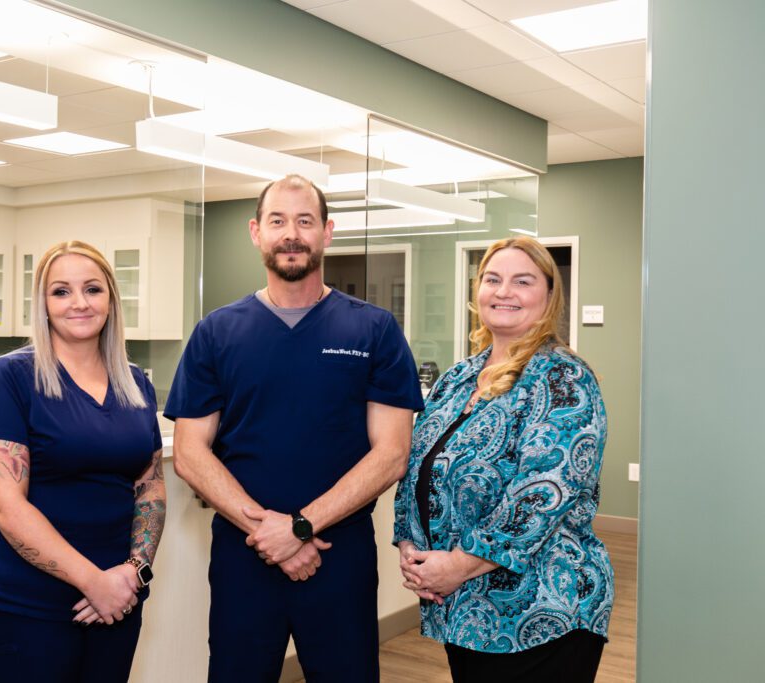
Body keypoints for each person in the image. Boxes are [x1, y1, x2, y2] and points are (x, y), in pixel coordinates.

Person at [166, 174, 425, 682]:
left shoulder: (373, 329)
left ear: (327, 232)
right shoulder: (217, 332)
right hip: (245, 554)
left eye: (305, 221)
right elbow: (189, 452)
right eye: (278, 221)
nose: (292, 233)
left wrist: (301, 526)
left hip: (339, 554)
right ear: (255, 232)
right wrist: (270, 534)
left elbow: (392, 453)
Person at [393, 236, 613, 683]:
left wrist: (454, 566)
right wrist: (410, 547)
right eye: (492, 279)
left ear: (549, 296)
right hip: (466, 610)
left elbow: (542, 494)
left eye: (523, 281)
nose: (504, 291)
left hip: (542, 611)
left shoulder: (564, 377)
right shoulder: (458, 377)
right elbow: (417, 465)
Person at [0, 240, 166, 683]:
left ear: (111, 299)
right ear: (43, 304)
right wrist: (94, 582)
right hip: (26, 601)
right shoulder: (11, 377)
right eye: (61, 291)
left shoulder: (134, 384)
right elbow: (2, 503)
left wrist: (133, 573)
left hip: (118, 597)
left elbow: (149, 485)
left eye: (92, 289)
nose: (79, 303)